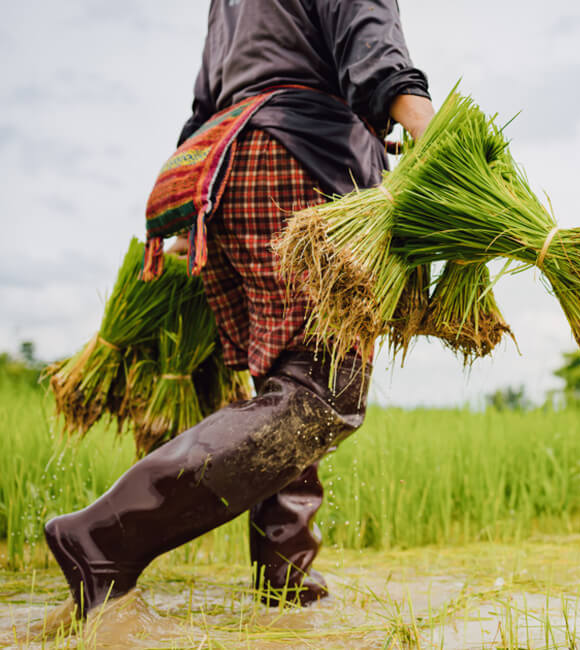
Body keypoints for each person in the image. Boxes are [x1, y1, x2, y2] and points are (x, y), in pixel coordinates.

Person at [44, 0, 434, 618]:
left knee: (286, 388)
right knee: (323, 393)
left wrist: (185, 226)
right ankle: (102, 537)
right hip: (297, 164)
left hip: (222, 175)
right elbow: (373, 47)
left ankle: (286, 581)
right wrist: (433, 134)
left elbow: (208, 100)